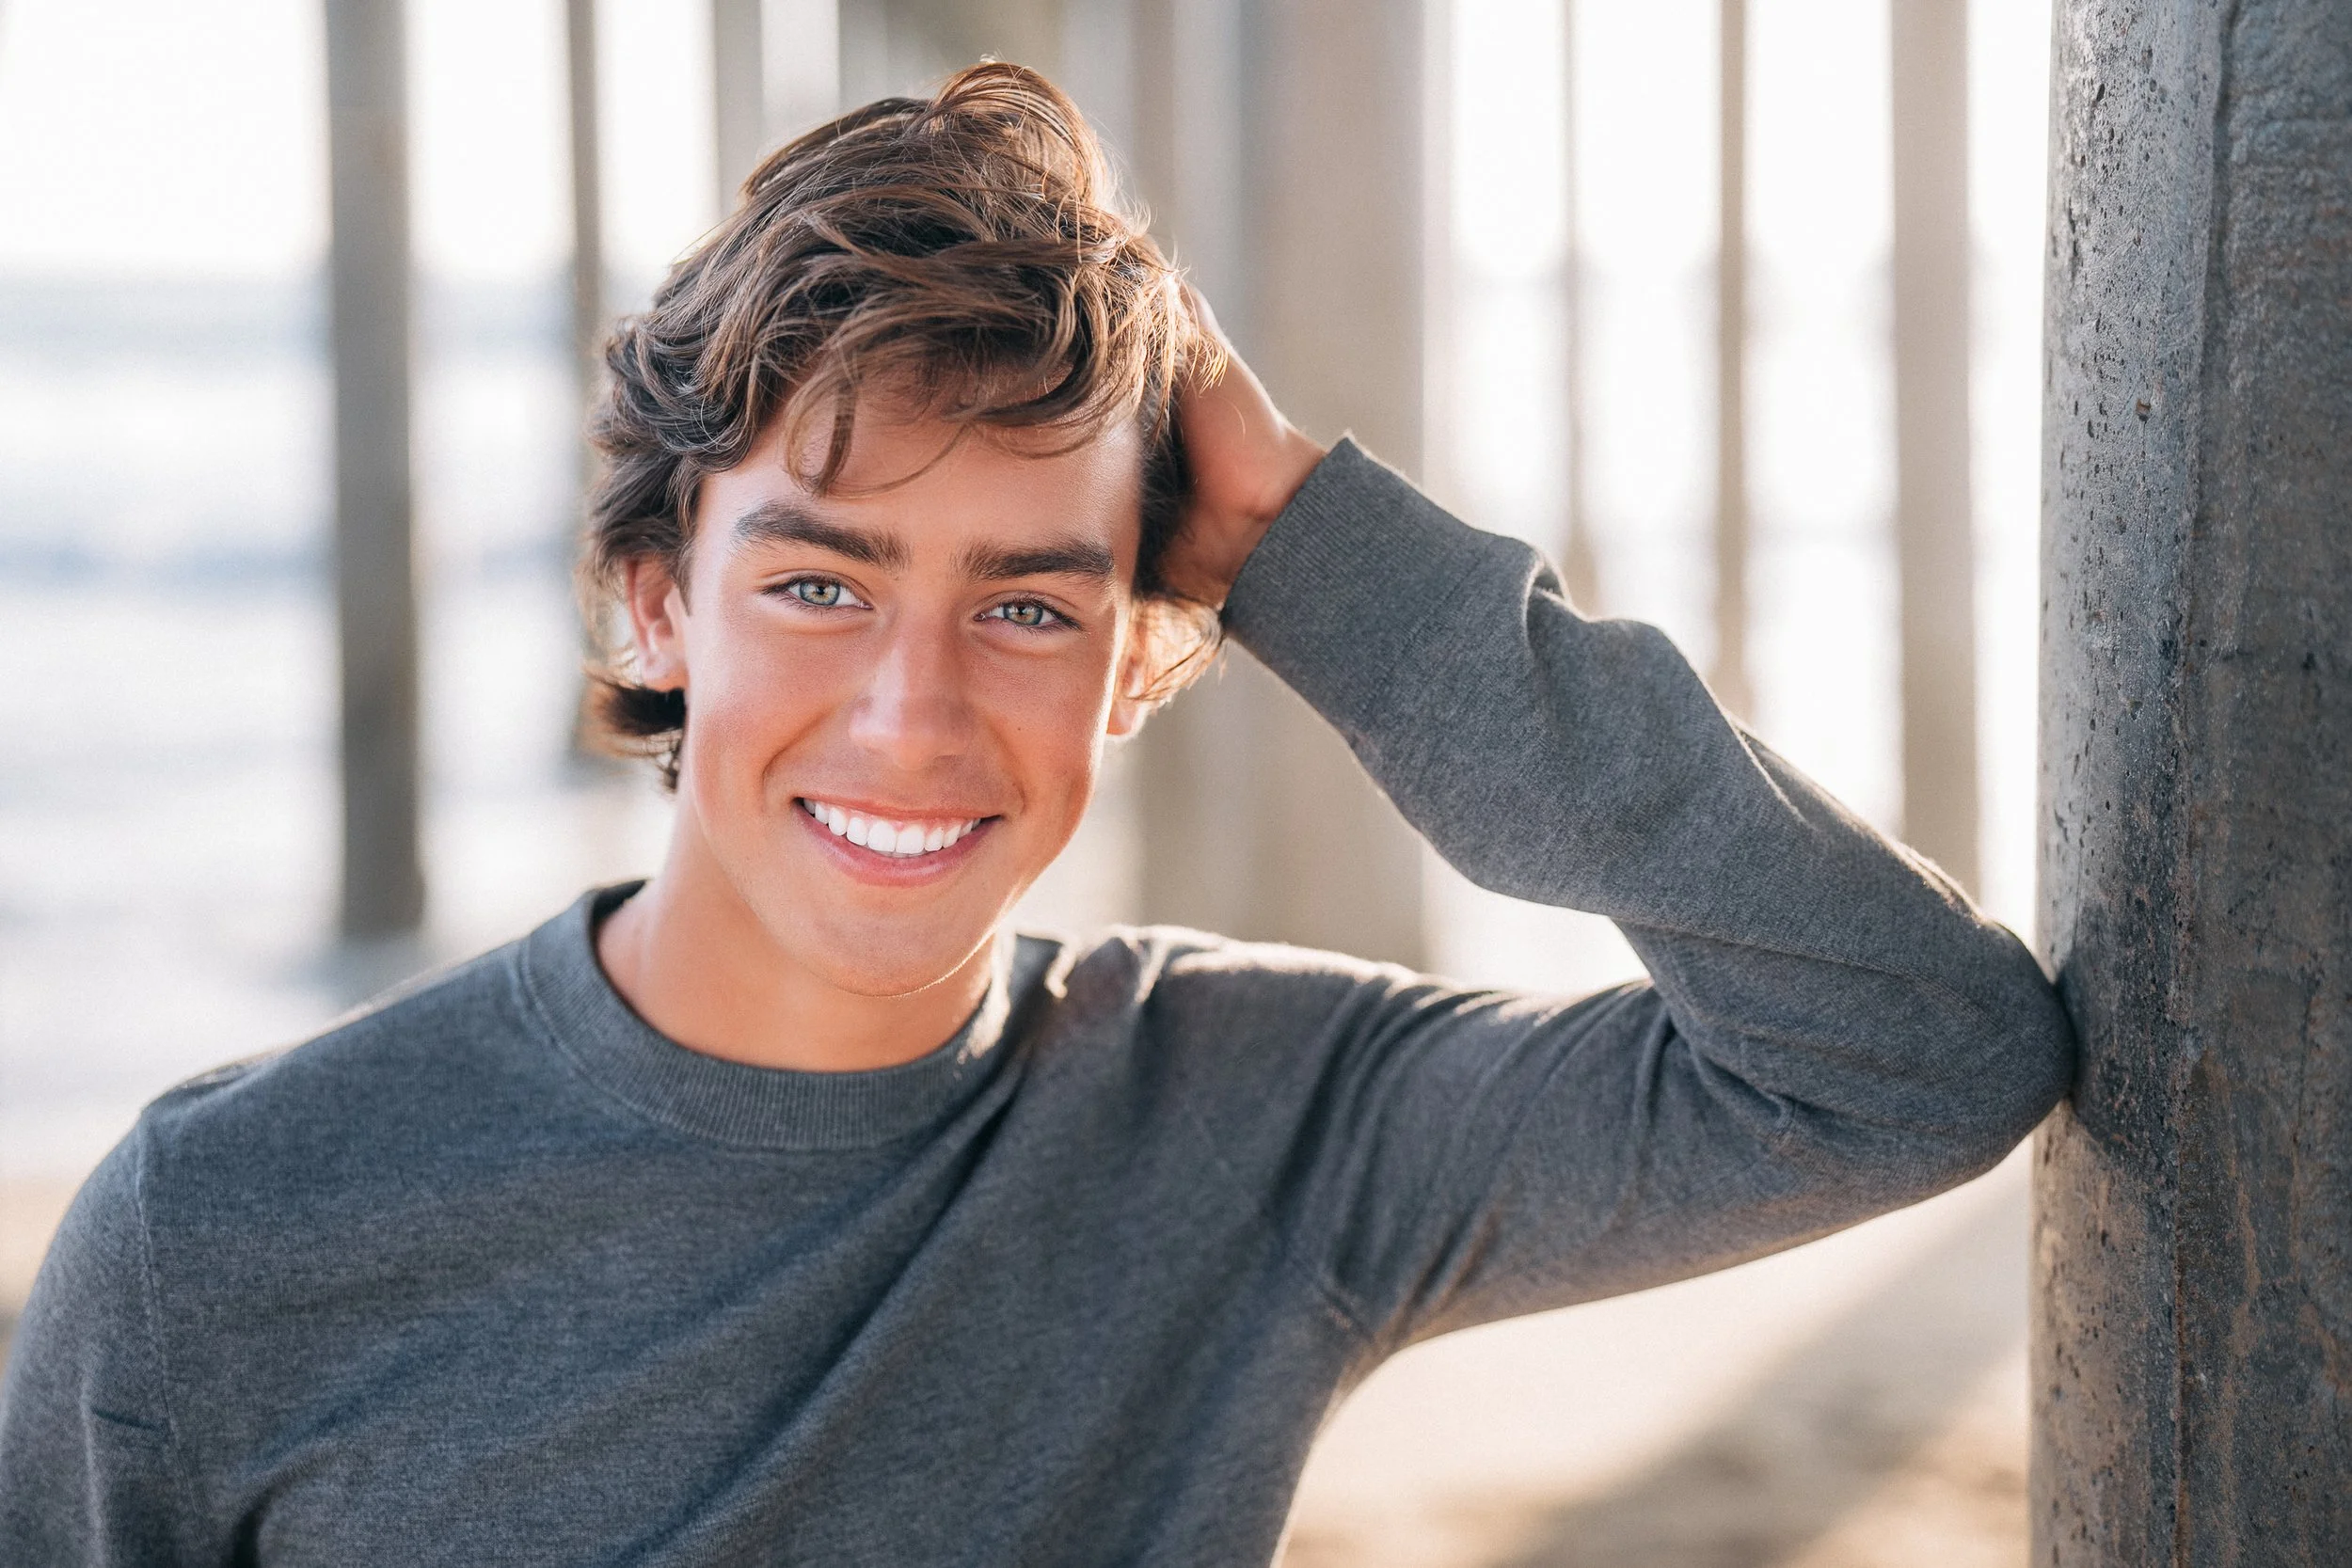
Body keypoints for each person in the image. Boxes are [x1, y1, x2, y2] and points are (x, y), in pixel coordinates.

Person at [0, 63, 2073, 1565]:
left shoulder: (1268, 1125)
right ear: (653, 598)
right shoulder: (222, 1234)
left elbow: (1908, 1053)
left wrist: (1312, 549)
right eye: (817, 582)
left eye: (1023, 602)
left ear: (1141, 651)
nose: (913, 717)